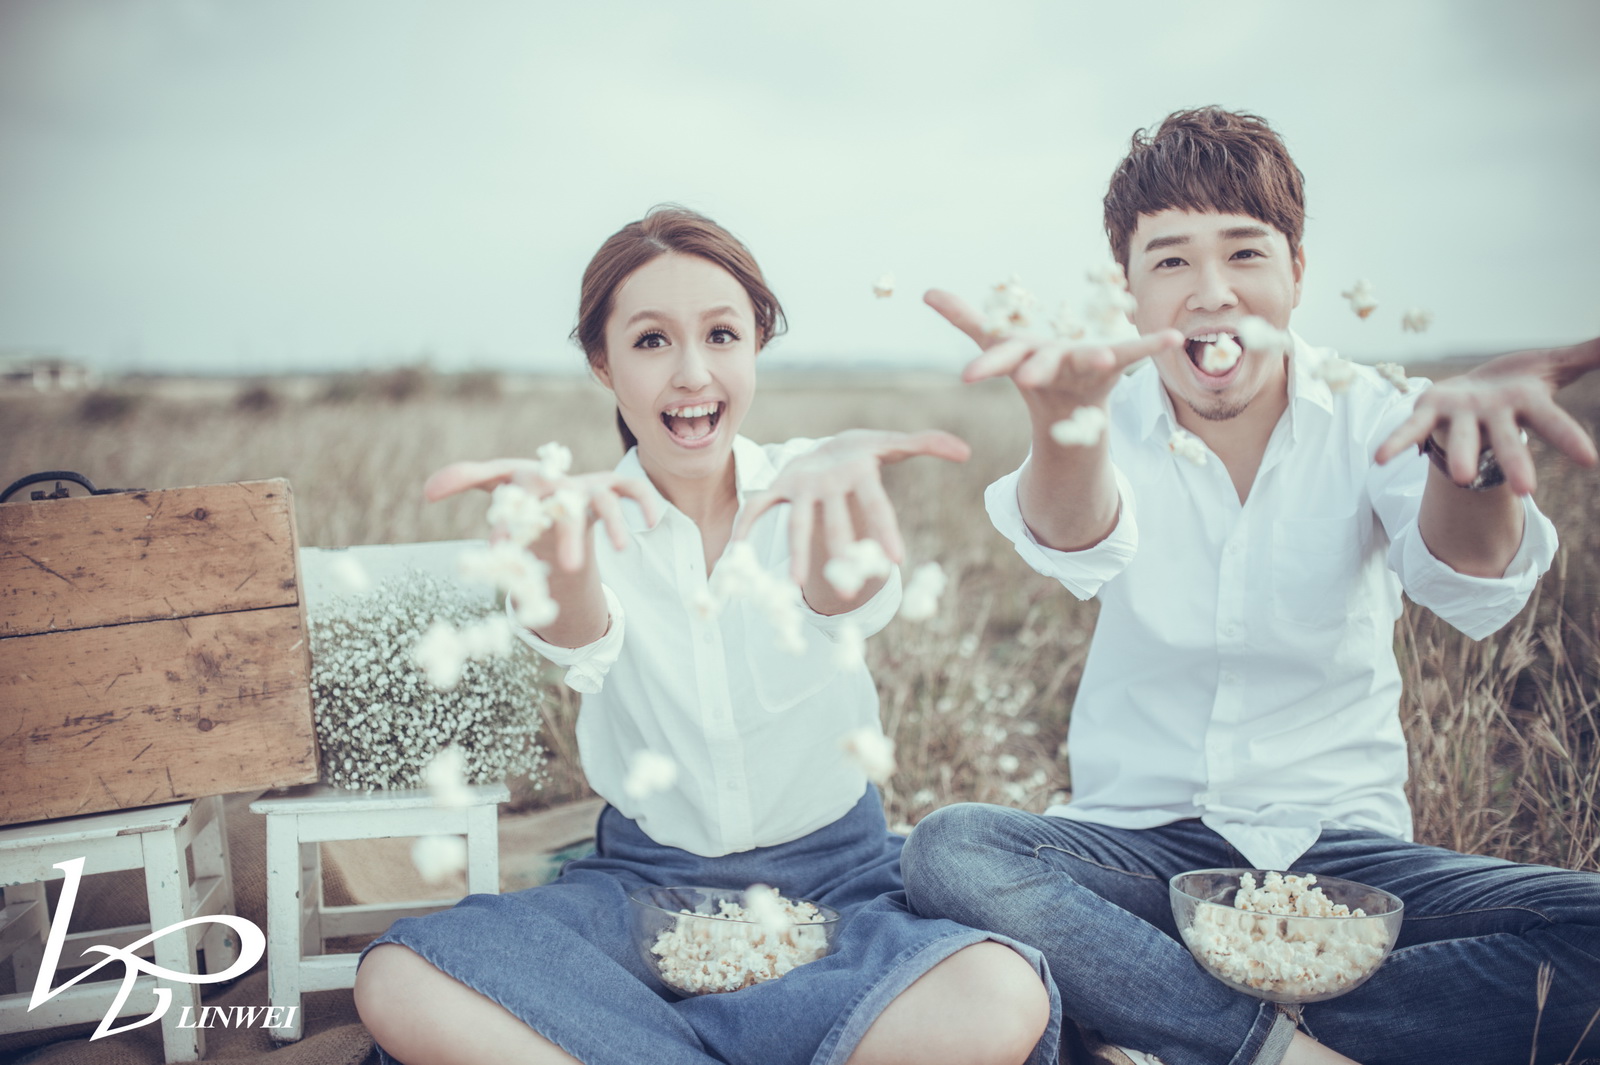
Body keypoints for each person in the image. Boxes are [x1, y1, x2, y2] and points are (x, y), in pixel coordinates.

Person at [898, 107, 1600, 1065]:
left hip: (1342, 867)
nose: (1211, 290)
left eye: (1244, 252)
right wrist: (1066, 424)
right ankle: (1276, 1048)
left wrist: (1466, 462)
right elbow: (1074, 537)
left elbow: (1471, 578)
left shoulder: (1378, 413)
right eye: (1171, 260)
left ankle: (1148, 1015)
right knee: (950, 852)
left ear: (1297, 270)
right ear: (1129, 290)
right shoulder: (1106, 417)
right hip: (1140, 855)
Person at [352, 206, 1060, 1065]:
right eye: (651, 341)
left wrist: (840, 515)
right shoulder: (579, 518)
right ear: (602, 362)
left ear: (757, 342)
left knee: (999, 992)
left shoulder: (813, 486)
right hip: (640, 895)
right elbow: (575, 635)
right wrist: (555, 550)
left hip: (842, 887)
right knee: (398, 978)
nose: (692, 373)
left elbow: (842, 596)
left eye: (721, 334)